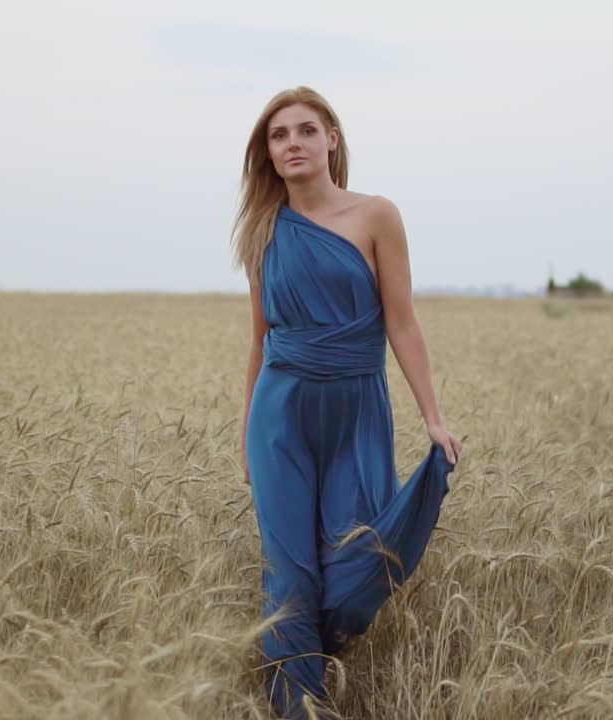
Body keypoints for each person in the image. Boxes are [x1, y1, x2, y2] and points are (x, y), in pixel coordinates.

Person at [232, 86, 463, 719]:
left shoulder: (376, 216)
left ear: (332, 137)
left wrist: (433, 419)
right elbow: (259, 341)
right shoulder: (263, 228)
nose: (293, 144)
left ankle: (324, 652)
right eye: (279, 136)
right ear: (268, 153)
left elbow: (404, 324)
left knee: (350, 562)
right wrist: (246, 429)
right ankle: (296, 705)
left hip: (357, 412)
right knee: (289, 571)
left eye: (306, 131)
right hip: (280, 417)